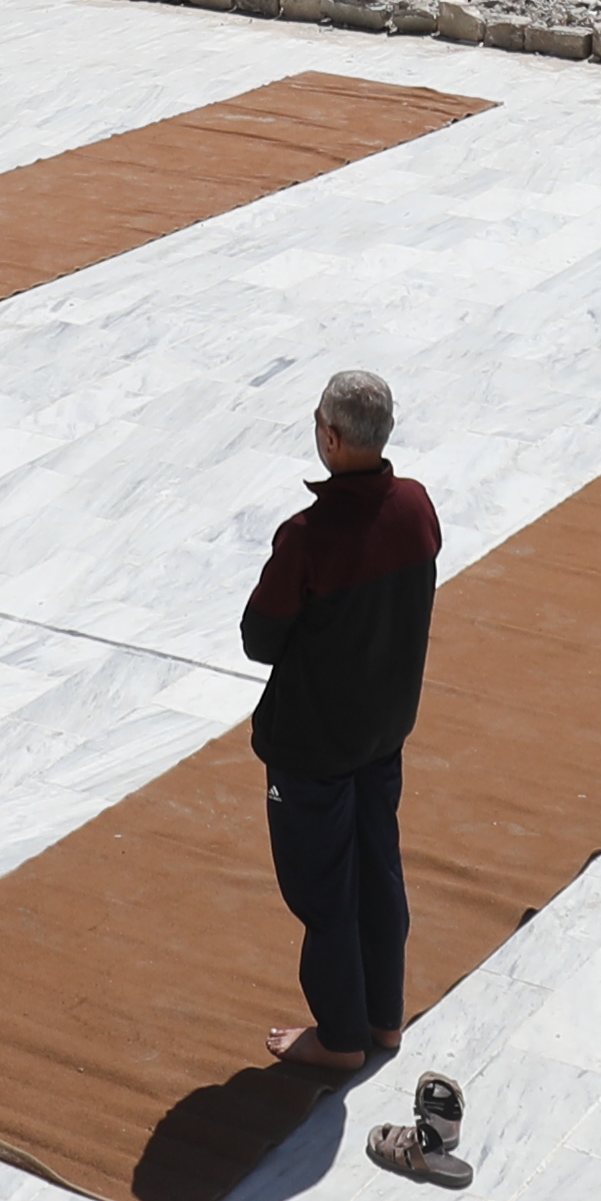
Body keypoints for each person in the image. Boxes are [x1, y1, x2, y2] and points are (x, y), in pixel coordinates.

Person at [241, 364, 436, 1073]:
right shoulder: (416, 507)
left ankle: (340, 1036)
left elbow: (260, 637)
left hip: (315, 745)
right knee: (378, 872)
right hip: (383, 732)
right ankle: (384, 1021)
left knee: (324, 892)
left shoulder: (309, 535)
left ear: (331, 436)